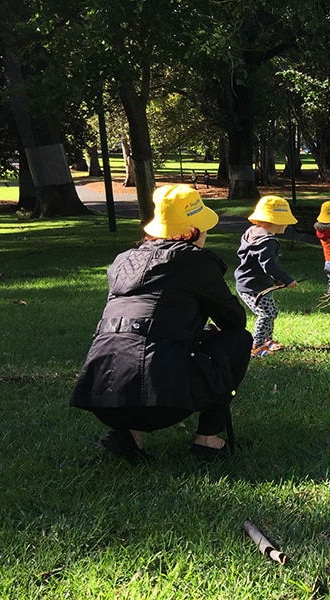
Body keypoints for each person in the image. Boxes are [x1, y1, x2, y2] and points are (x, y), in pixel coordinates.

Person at [71, 184, 253, 462]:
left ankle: (130, 437)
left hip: (104, 396)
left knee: (140, 338)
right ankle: (208, 440)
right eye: (202, 227)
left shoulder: (121, 262)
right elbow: (234, 320)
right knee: (239, 339)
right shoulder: (196, 262)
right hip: (163, 401)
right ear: (189, 232)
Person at [235, 195, 298, 357]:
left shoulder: (253, 232)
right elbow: (269, 265)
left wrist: (275, 280)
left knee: (271, 311)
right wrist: (286, 279)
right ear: (273, 221)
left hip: (256, 283)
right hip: (253, 286)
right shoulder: (266, 241)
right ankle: (256, 345)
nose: (287, 224)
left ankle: (267, 340)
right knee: (266, 313)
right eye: (285, 220)